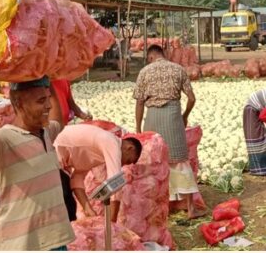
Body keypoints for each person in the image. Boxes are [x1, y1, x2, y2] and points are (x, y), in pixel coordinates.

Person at [0, 76, 74, 251]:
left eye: (48, 98)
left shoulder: (46, 133)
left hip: (55, 238)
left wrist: (49, 78)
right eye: (41, 101)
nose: (48, 106)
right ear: (19, 104)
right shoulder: (3, 140)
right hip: (23, 244)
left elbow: (59, 119)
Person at [133, 44, 202, 219]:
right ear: (163, 54)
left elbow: (139, 103)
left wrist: (138, 128)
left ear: (150, 57)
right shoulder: (178, 69)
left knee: (155, 163)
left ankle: (159, 208)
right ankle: (190, 208)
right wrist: (184, 115)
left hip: (153, 119)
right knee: (179, 161)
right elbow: (192, 98)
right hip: (173, 117)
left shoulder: (145, 72)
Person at [54, 123, 142, 223]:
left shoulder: (99, 152)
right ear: (130, 148)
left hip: (59, 164)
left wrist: (88, 210)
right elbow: (115, 183)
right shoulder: (112, 142)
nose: (123, 165)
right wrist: (112, 223)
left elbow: (77, 177)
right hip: (53, 153)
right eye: (128, 161)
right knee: (66, 207)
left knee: (70, 209)